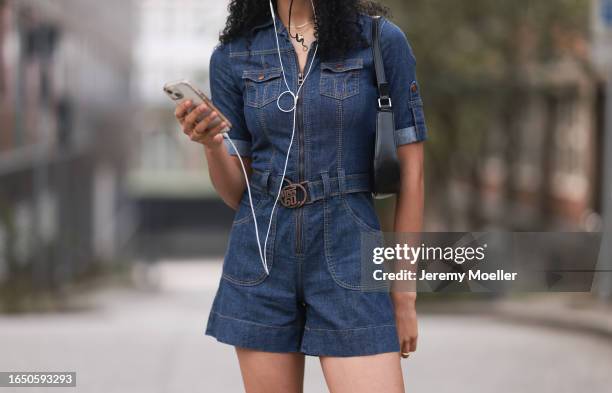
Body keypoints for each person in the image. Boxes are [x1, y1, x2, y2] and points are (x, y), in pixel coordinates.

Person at [174, 1, 427, 392]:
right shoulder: (233, 54)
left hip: (348, 248)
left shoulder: (379, 40)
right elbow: (235, 192)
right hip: (261, 257)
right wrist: (211, 144)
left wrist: (404, 293)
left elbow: (412, 174)